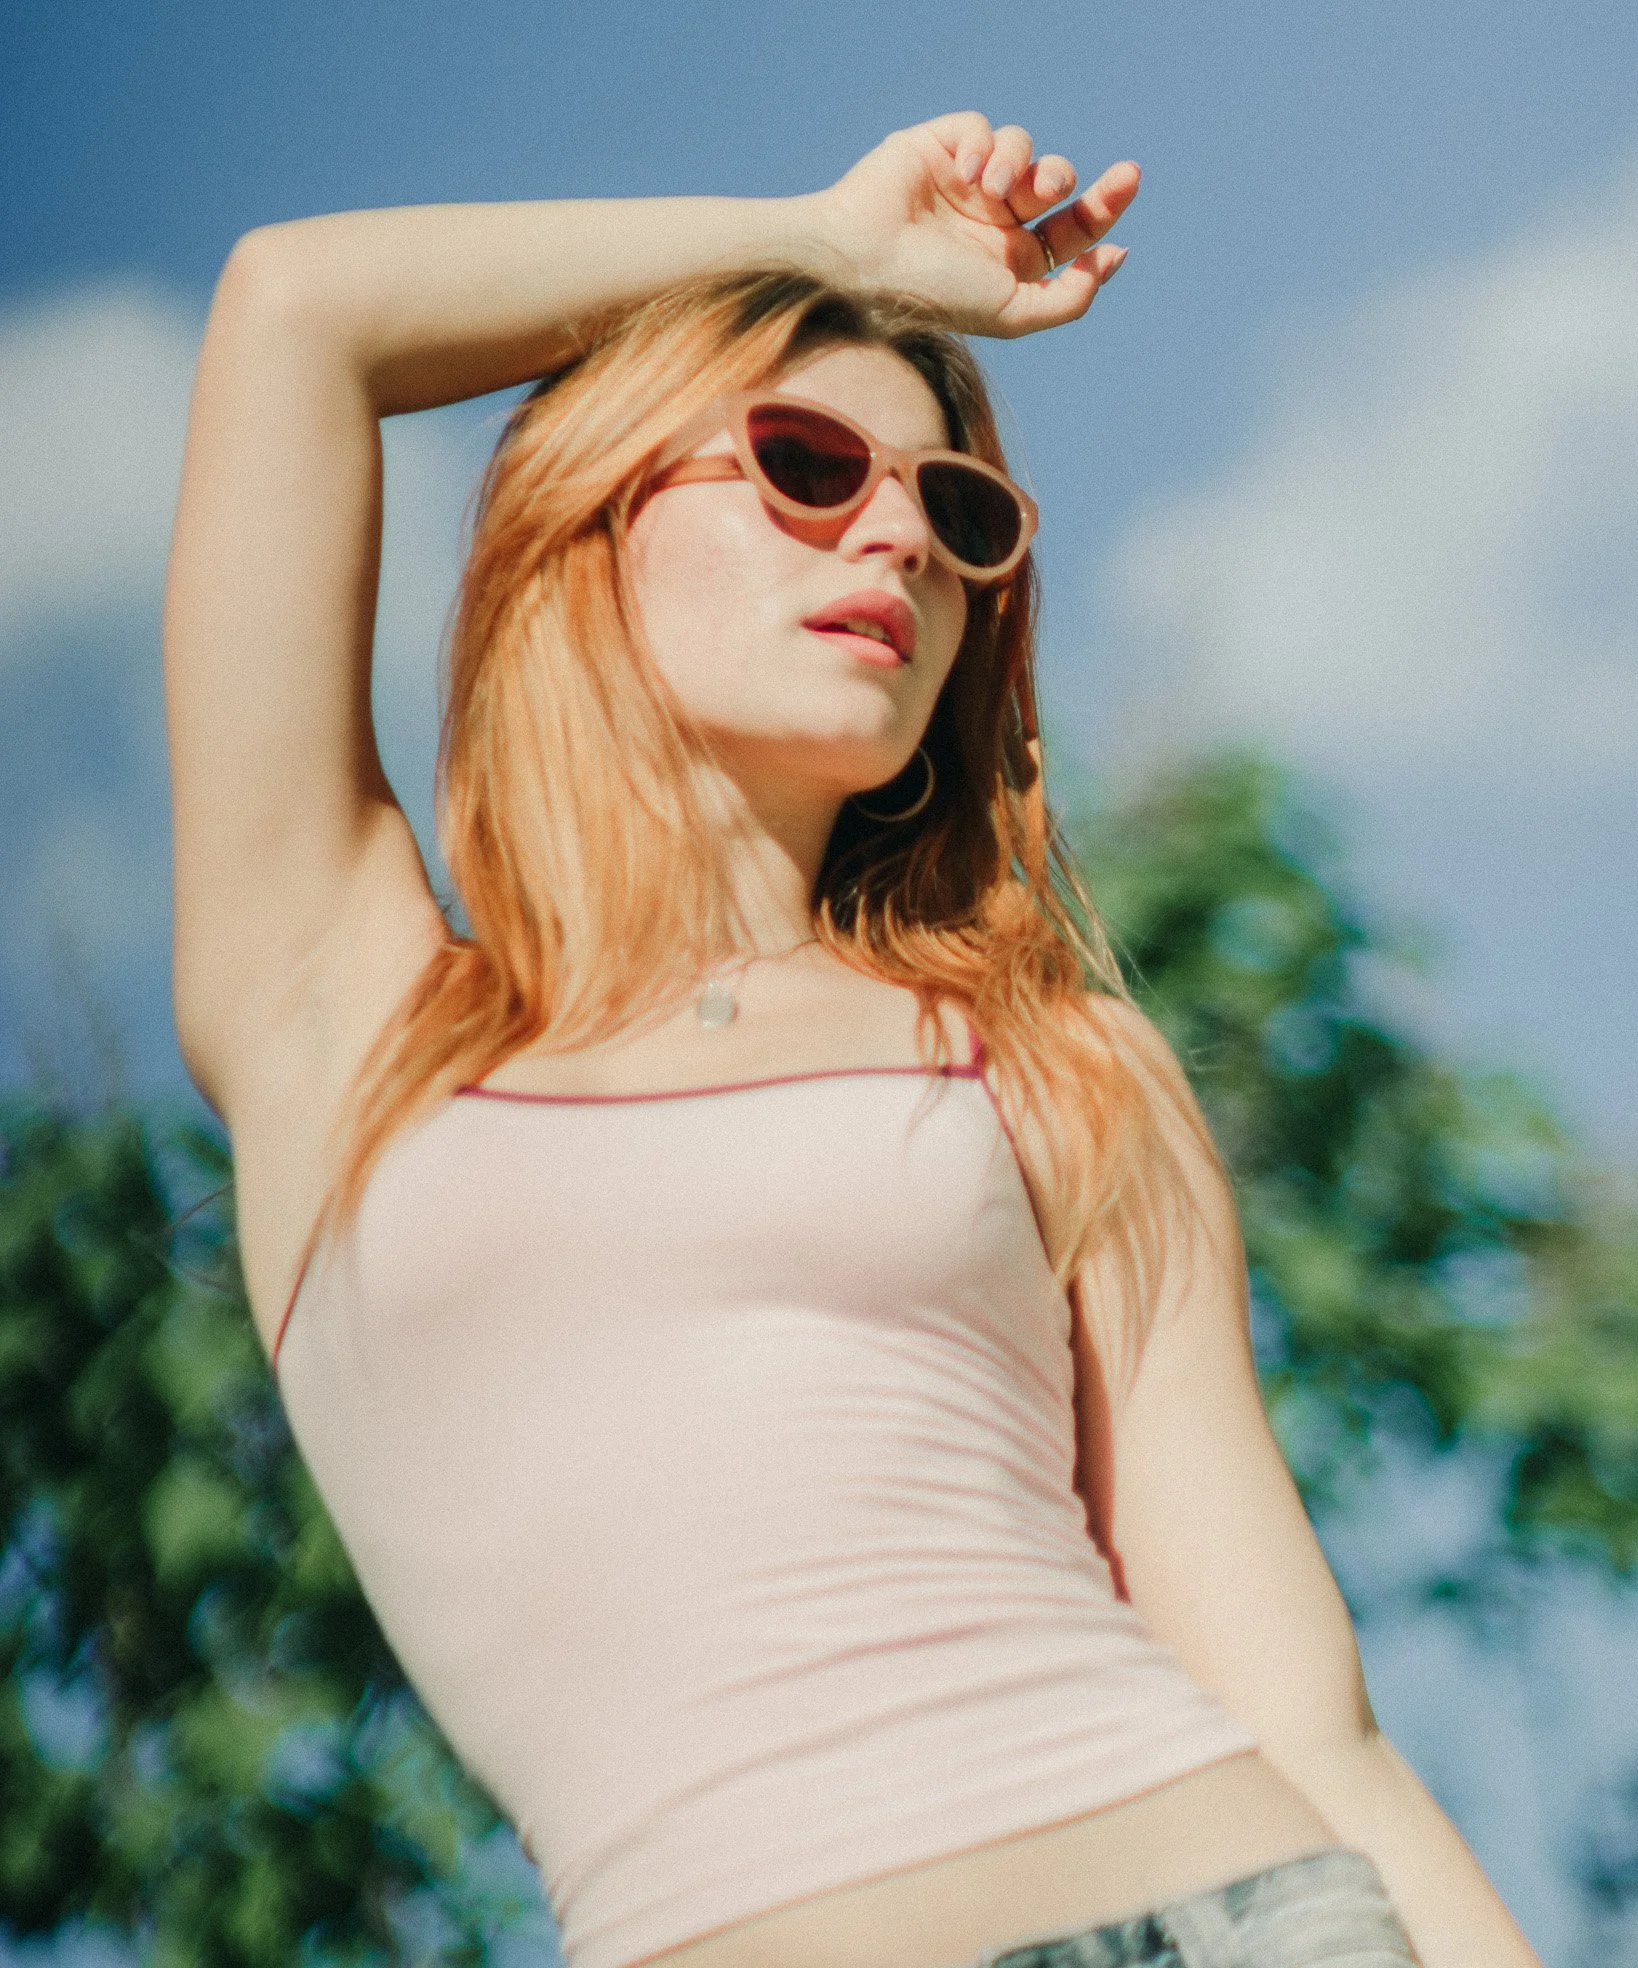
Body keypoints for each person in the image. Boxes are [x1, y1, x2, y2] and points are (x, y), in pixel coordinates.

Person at [164, 114, 1541, 1968]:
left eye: (953, 511)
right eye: (806, 464)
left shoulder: (1043, 1060)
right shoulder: (344, 1021)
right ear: (594, 511)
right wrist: (832, 249)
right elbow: (296, 311)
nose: (897, 530)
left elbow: (1309, 1723)